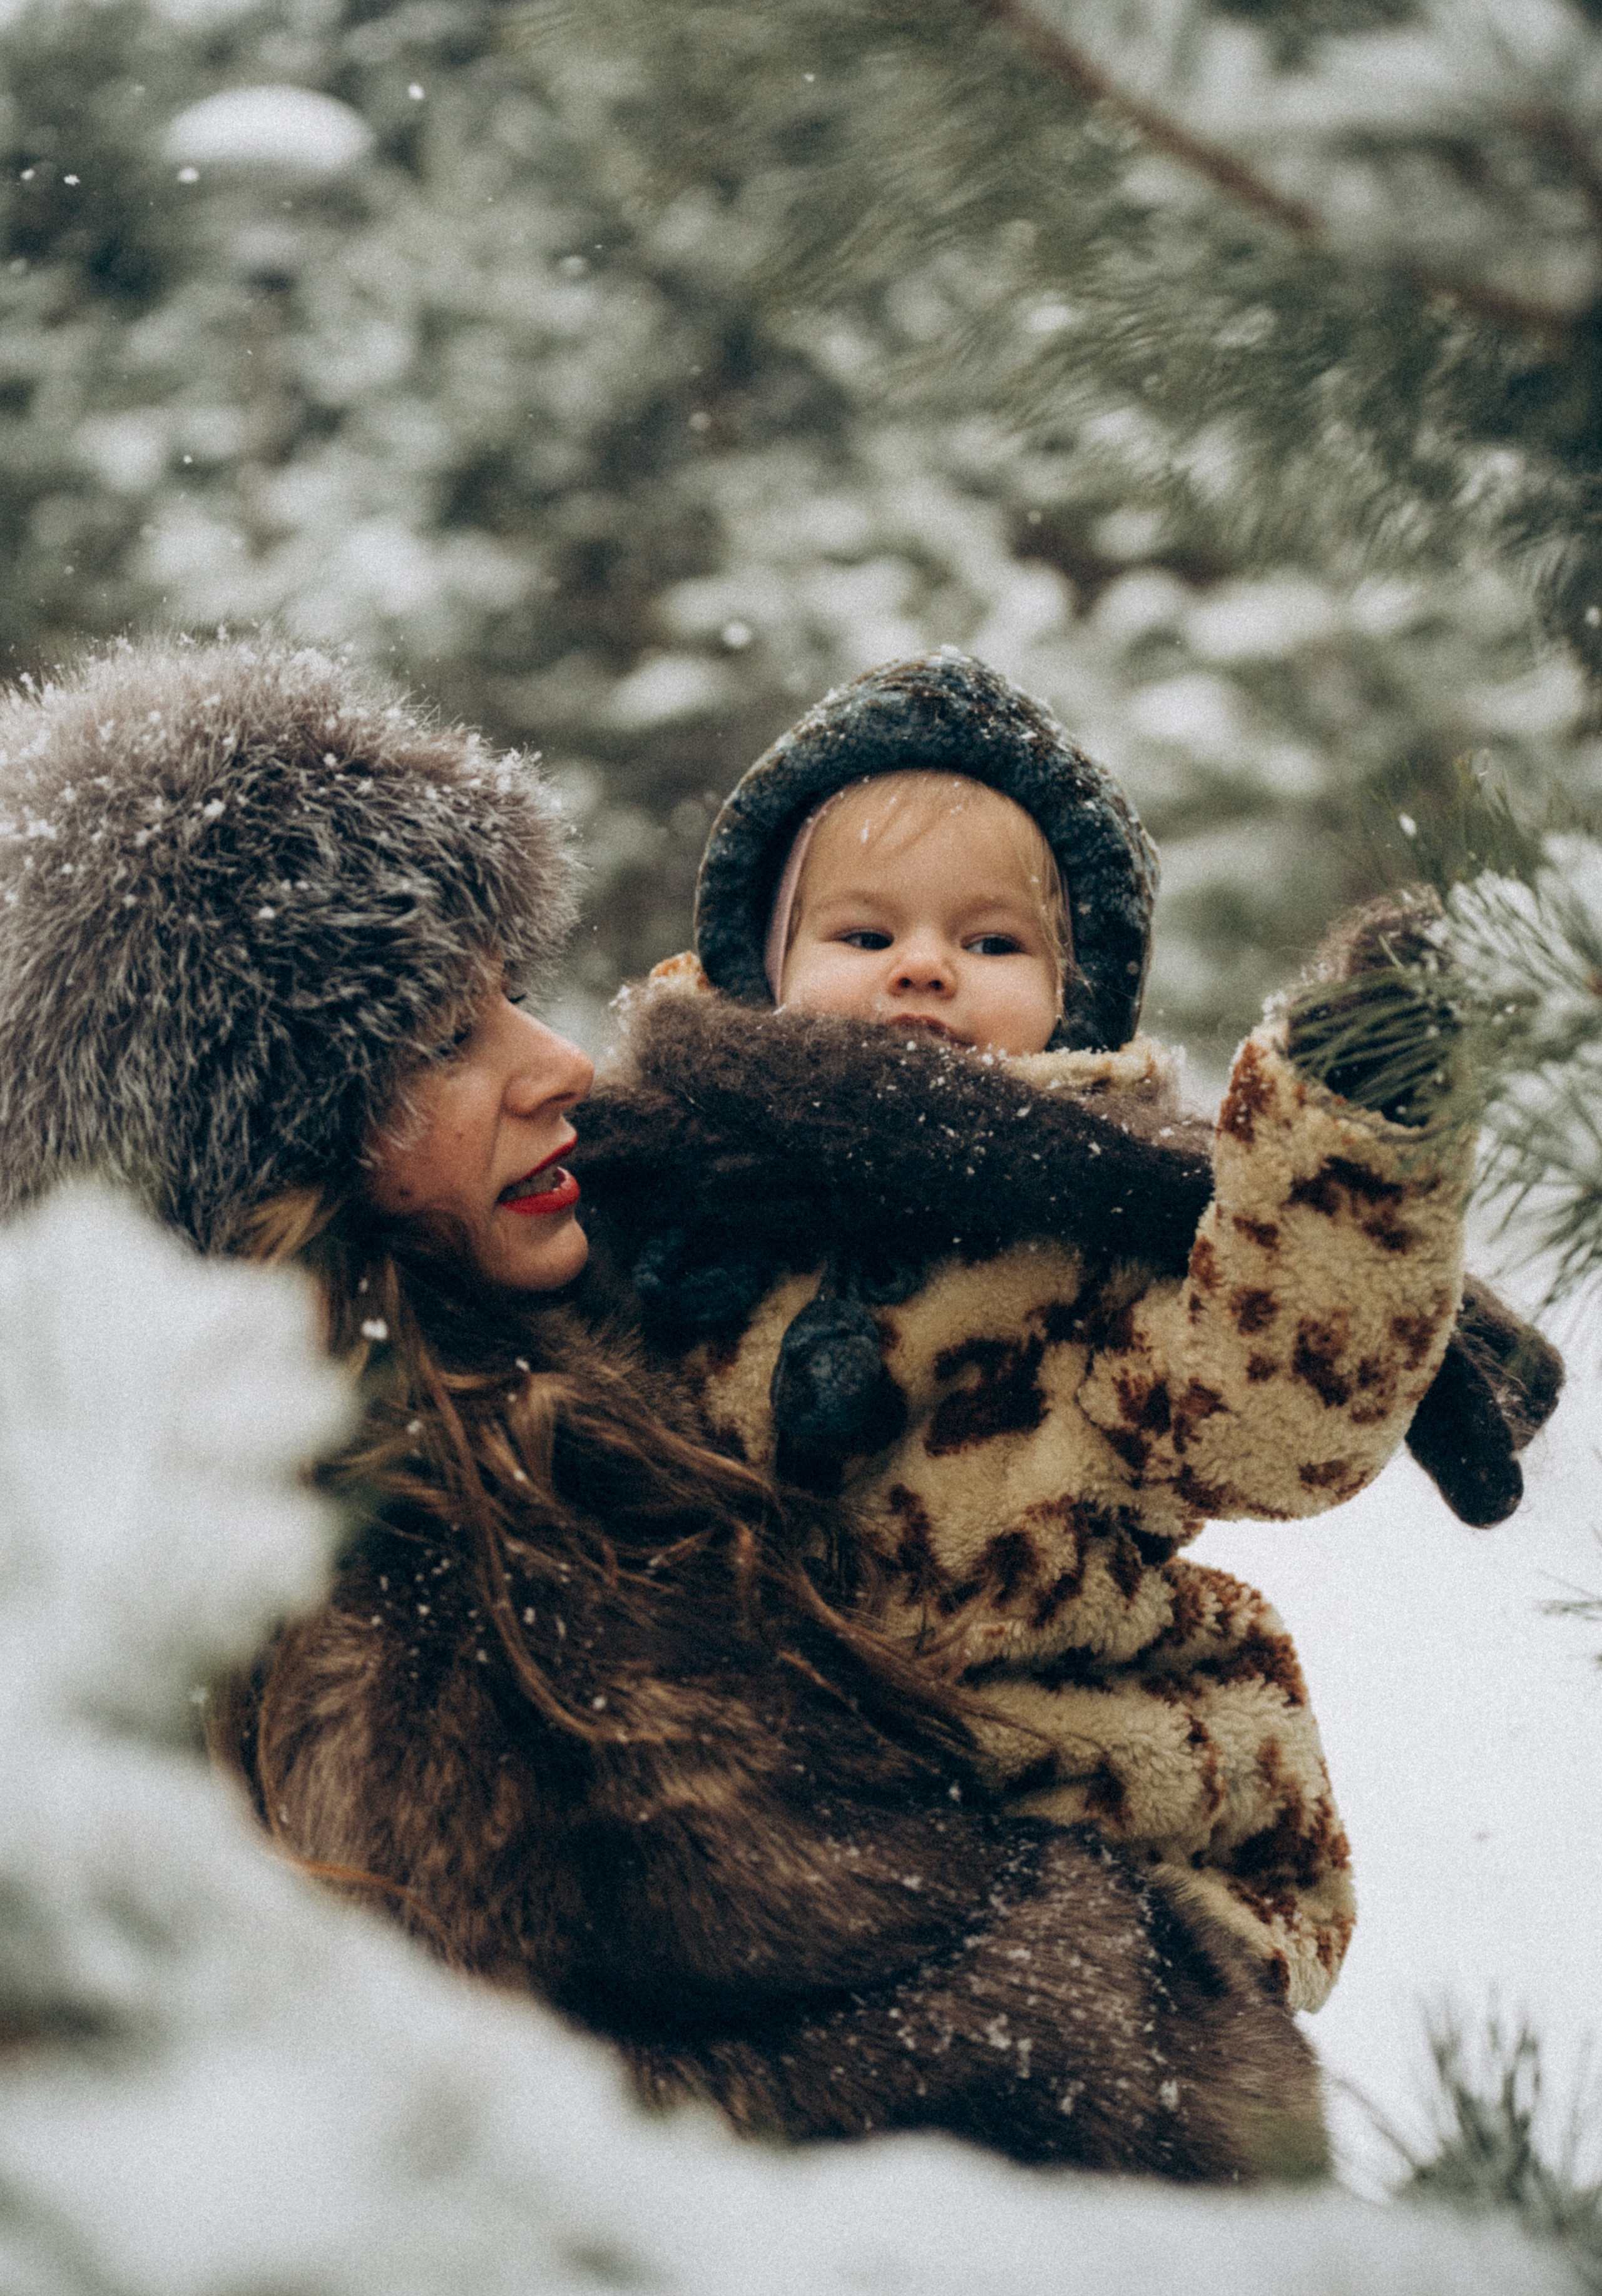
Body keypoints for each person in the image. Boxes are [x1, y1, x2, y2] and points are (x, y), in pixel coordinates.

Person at [0, 634, 1328, 2182]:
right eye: (446, 1039)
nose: (560, 1060)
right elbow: (639, 2098)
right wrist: (1170, 1969)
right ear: (271, 1153)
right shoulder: (410, 1576)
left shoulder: (567, 1344)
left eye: (513, 999)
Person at [572, 648, 1562, 2017]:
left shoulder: (1096, 1248)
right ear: (758, 968)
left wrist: (1353, 1151)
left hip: (1067, 1828)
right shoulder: (659, 1193)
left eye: (990, 944)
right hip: (742, 1840)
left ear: (1069, 993)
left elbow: (1277, 1416)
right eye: (864, 936)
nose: (924, 970)